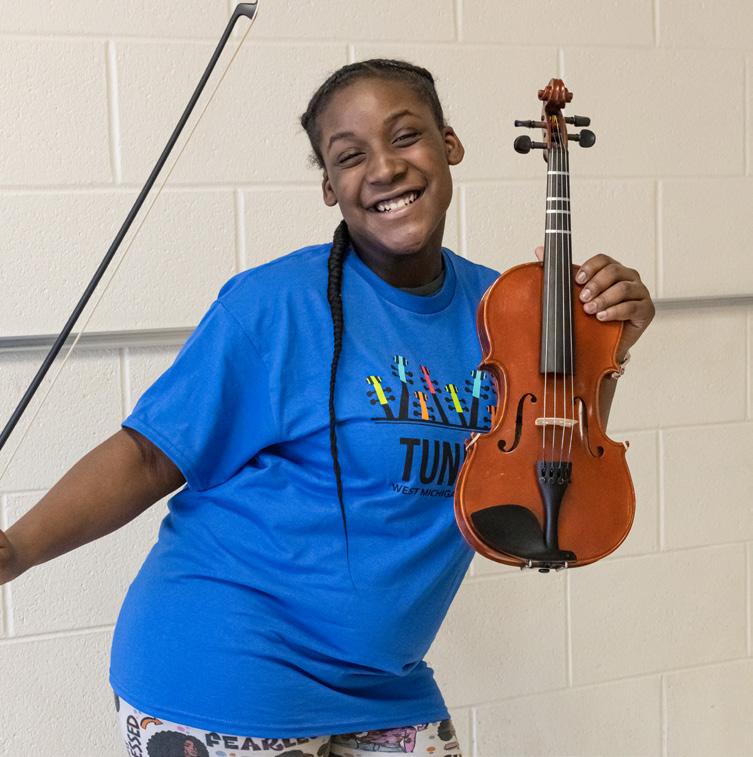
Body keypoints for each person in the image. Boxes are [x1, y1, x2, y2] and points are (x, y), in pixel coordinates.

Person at [0, 59, 655, 756]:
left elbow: (552, 466)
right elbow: (149, 455)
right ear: (329, 187)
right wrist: (16, 549)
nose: (384, 168)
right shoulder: (275, 304)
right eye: (350, 156)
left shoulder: (505, 309)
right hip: (224, 673)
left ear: (449, 144)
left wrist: (604, 345)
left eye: (405, 136)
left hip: (384, 684)